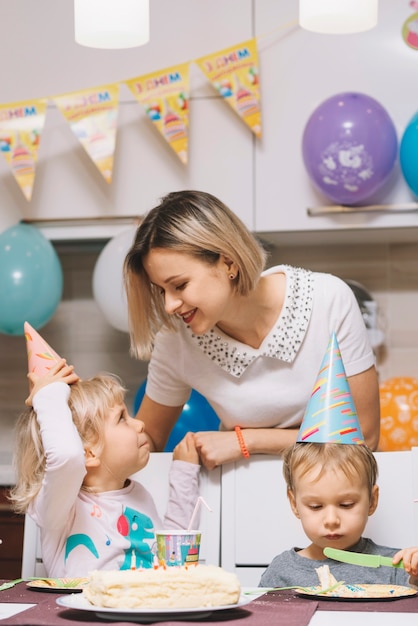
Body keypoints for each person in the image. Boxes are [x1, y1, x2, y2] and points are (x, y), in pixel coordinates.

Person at [123, 190, 380, 470]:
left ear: (229, 262)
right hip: (237, 495)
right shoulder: (175, 341)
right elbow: (147, 441)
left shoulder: (329, 300)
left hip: (331, 499)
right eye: (160, 291)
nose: (169, 305)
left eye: (179, 285)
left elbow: (364, 438)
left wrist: (246, 442)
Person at [9, 360, 200, 578]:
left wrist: (184, 472)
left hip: (142, 608)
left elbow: (174, 555)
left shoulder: (139, 496)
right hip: (83, 611)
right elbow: (67, 457)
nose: (140, 425)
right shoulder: (59, 507)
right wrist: (49, 395)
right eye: (122, 418)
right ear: (89, 453)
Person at [259, 442, 418, 588]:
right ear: (294, 504)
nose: (331, 520)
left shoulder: (396, 567)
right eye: (316, 506)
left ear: (372, 500)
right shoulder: (281, 572)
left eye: (346, 505)